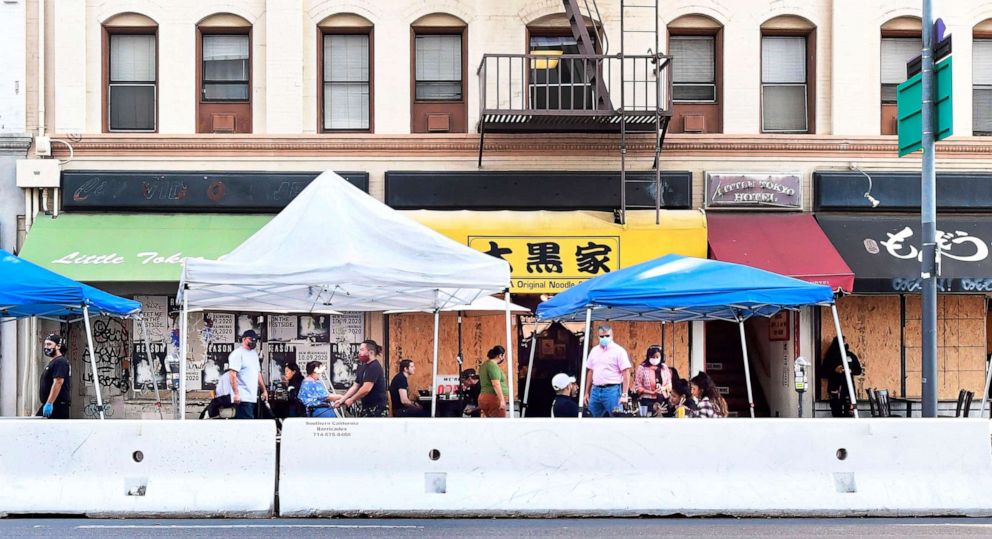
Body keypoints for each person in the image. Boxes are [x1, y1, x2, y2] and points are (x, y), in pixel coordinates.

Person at [583, 324, 632, 417]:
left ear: (612, 336)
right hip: (595, 390)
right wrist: (586, 393)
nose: (604, 338)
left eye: (607, 336)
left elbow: (626, 372)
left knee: (615, 418)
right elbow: (590, 372)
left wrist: (625, 394)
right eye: (602, 336)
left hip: (612, 390)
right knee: (590, 418)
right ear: (598, 336)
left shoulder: (619, 351)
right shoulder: (594, 351)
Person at [335, 339, 389, 417]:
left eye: (362, 350)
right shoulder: (363, 367)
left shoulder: (374, 367)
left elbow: (366, 389)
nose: (359, 353)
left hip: (377, 409)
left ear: (371, 352)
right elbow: (355, 386)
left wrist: (352, 399)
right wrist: (341, 400)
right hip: (366, 407)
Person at [226, 330, 267, 419]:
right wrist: (236, 393)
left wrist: (264, 390)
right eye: (251, 339)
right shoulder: (237, 354)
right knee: (247, 425)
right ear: (243, 339)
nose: (253, 341)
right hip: (242, 398)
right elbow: (232, 374)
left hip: (252, 397)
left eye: (255, 340)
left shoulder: (254, 354)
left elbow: (258, 374)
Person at [821, 337, 864, 417]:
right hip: (835, 389)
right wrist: (835, 370)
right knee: (836, 413)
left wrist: (850, 370)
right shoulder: (830, 356)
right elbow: (823, 373)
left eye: (844, 342)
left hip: (849, 389)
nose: (844, 343)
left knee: (851, 412)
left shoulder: (850, 355)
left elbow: (859, 370)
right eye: (842, 342)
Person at [37, 334, 71, 419]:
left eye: (49, 344)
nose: (46, 347)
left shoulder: (60, 362)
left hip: (57, 405)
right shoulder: (54, 362)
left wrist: (50, 403)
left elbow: (58, 382)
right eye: (45, 344)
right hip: (51, 404)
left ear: (58, 346)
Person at [634, 346, 673, 417]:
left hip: (662, 399)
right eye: (652, 357)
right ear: (648, 356)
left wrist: (663, 388)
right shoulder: (642, 368)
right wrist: (652, 392)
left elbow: (669, 384)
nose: (655, 359)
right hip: (647, 400)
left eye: (657, 357)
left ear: (661, 357)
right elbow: (638, 386)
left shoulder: (664, 367)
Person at [478, 345, 509, 417]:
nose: (504, 358)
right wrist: (501, 400)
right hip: (493, 398)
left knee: (491, 424)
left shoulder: (485, 365)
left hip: (484, 397)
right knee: (499, 425)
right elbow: (496, 384)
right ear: (500, 355)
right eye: (504, 355)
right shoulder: (493, 366)